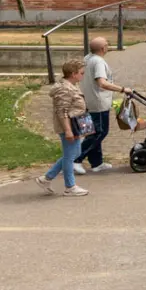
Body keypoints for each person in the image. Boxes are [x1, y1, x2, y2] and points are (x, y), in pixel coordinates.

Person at [39, 59, 90, 196]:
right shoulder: (64, 89)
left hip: (75, 124)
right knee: (69, 156)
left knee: (75, 153)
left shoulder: (71, 85)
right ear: (73, 74)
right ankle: (70, 186)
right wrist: (68, 130)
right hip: (69, 125)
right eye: (81, 73)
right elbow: (62, 111)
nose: (83, 75)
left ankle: (46, 178)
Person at [75, 37, 126, 174]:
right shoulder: (98, 62)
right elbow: (102, 83)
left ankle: (96, 162)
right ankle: (76, 159)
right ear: (103, 48)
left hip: (85, 101)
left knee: (90, 133)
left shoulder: (86, 58)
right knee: (100, 132)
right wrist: (122, 89)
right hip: (98, 103)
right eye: (107, 45)